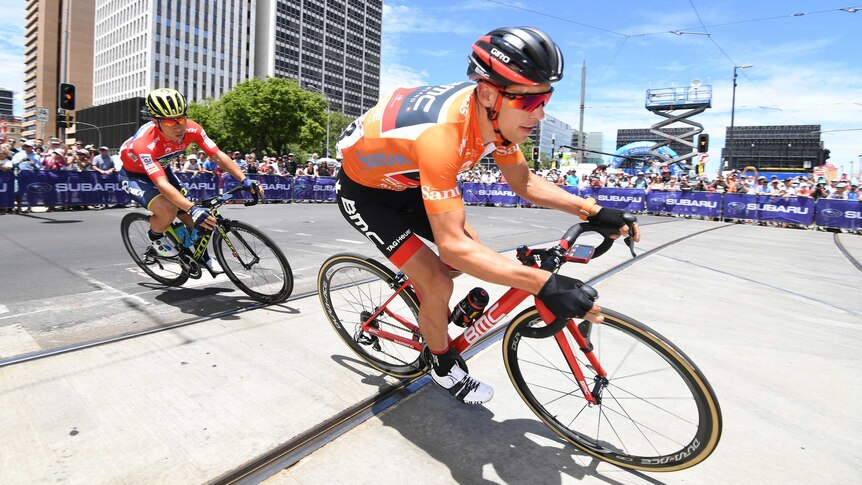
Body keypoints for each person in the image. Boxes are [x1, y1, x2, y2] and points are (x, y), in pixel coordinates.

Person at [334, 26, 639, 405]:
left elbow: (524, 181)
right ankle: (441, 364)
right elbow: (454, 247)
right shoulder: (443, 137)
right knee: (441, 279)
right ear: (490, 93)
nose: (540, 114)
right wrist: (543, 284)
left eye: (546, 99)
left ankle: (421, 286)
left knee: (473, 257)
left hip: (409, 182)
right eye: (530, 103)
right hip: (367, 195)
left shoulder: (495, 119)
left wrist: (595, 210)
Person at [118, 88, 263, 274]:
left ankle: (202, 257)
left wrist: (245, 179)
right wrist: (191, 208)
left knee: (196, 219)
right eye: (170, 121)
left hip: (162, 168)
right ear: (155, 121)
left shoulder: (192, 129)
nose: (178, 126)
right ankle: (155, 237)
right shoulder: (144, 144)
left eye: (181, 118)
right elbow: (161, 184)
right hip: (135, 175)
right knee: (169, 210)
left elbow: (217, 155)